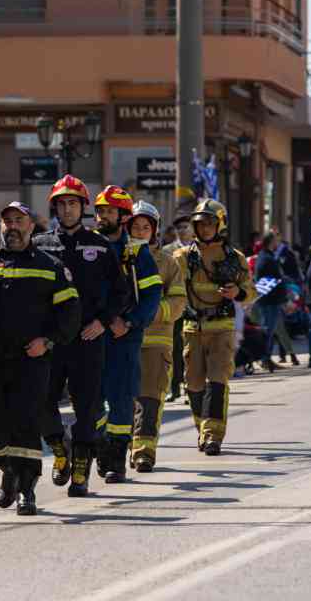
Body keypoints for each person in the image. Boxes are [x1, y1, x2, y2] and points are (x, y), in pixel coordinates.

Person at [0, 201, 80, 515]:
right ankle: (8, 470)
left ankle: (26, 489)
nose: (12, 226)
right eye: (7, 221)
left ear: (30, 226)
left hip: (31, 359)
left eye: (19, 220)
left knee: (25, 423)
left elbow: (70, 312)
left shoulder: (50, 265)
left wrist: (49, 341)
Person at [34, 175, 130, 497]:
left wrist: (104, 321)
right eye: (61, 204)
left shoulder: (100, 245)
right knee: (42, 400)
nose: (67, 209)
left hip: (88, 338)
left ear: (83, 207)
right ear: (55, 208)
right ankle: (59, 447)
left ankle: (81, 467)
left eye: (73, 203)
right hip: (51, 339)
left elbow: (121, 292)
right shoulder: (40, 245)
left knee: (87, 406)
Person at [175, 199, 257, 455]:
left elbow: (251, 292)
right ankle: (203, 428)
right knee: (194, 383)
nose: (205, 228)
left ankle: (213, 436)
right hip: (192, 327)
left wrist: (238, 292)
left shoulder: (235, 258)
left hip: (221, 327)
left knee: (217, 380)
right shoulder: (182, 257)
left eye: (210, 223)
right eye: (200, 224)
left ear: (219, 225)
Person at [92, 185, 162, 481]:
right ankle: (97, 446)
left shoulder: (136, 251)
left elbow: (151, 295)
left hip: (123, 336)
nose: (102, 216)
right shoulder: (85, 246)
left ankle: (116, 459)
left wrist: (130, 322)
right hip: (89, 334)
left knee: (121, 398)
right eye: (99, 211)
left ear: (123, 217)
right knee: (89, 397)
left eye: (109, 211)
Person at [128, 201, 187, 472]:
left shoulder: (168, 262)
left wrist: (150, 313)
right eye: (136, 227)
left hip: (156, 340)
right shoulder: (118, 258)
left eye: (146, 227)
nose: (141, 232)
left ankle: (144, 450)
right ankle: (119, 446)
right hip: (122, 339)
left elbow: (177, 302)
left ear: (154, 230)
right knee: (121, 398)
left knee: (150, 397)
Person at [251, 232, 295, 370]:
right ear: (271, 242)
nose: (277, 244)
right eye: (276, 241)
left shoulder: (264, 257)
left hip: (267, 300)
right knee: (268, 331)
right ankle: (265, 359)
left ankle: (266, 358)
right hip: (270, 301)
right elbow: (276, 280)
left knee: (269, 331)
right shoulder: (268, 259)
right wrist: (285, 300)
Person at [165, 214, 195, 401]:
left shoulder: (199, 249)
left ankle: (190, 388)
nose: (182, 230)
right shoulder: (168, 250)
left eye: (186, 226)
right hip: (174, 305)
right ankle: (172, 388)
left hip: (195, 306)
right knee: (174, 348)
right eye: (179, 227)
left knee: (192, 349)